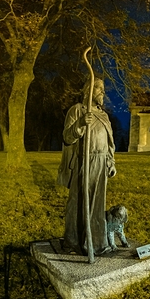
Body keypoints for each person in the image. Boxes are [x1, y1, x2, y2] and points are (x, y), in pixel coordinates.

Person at [57, 77, 116, 255]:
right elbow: (67, 137)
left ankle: (97, 244)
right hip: (83, 162)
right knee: (78, 202)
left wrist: (111, 162)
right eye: (98, 88)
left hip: (101, 163)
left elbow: (110, 142)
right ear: (87, 91)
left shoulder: (104, 115)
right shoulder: (77, 110)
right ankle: (73, 243)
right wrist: (81, 123)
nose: (102, 92)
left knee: (97, 204)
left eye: (102, 88)